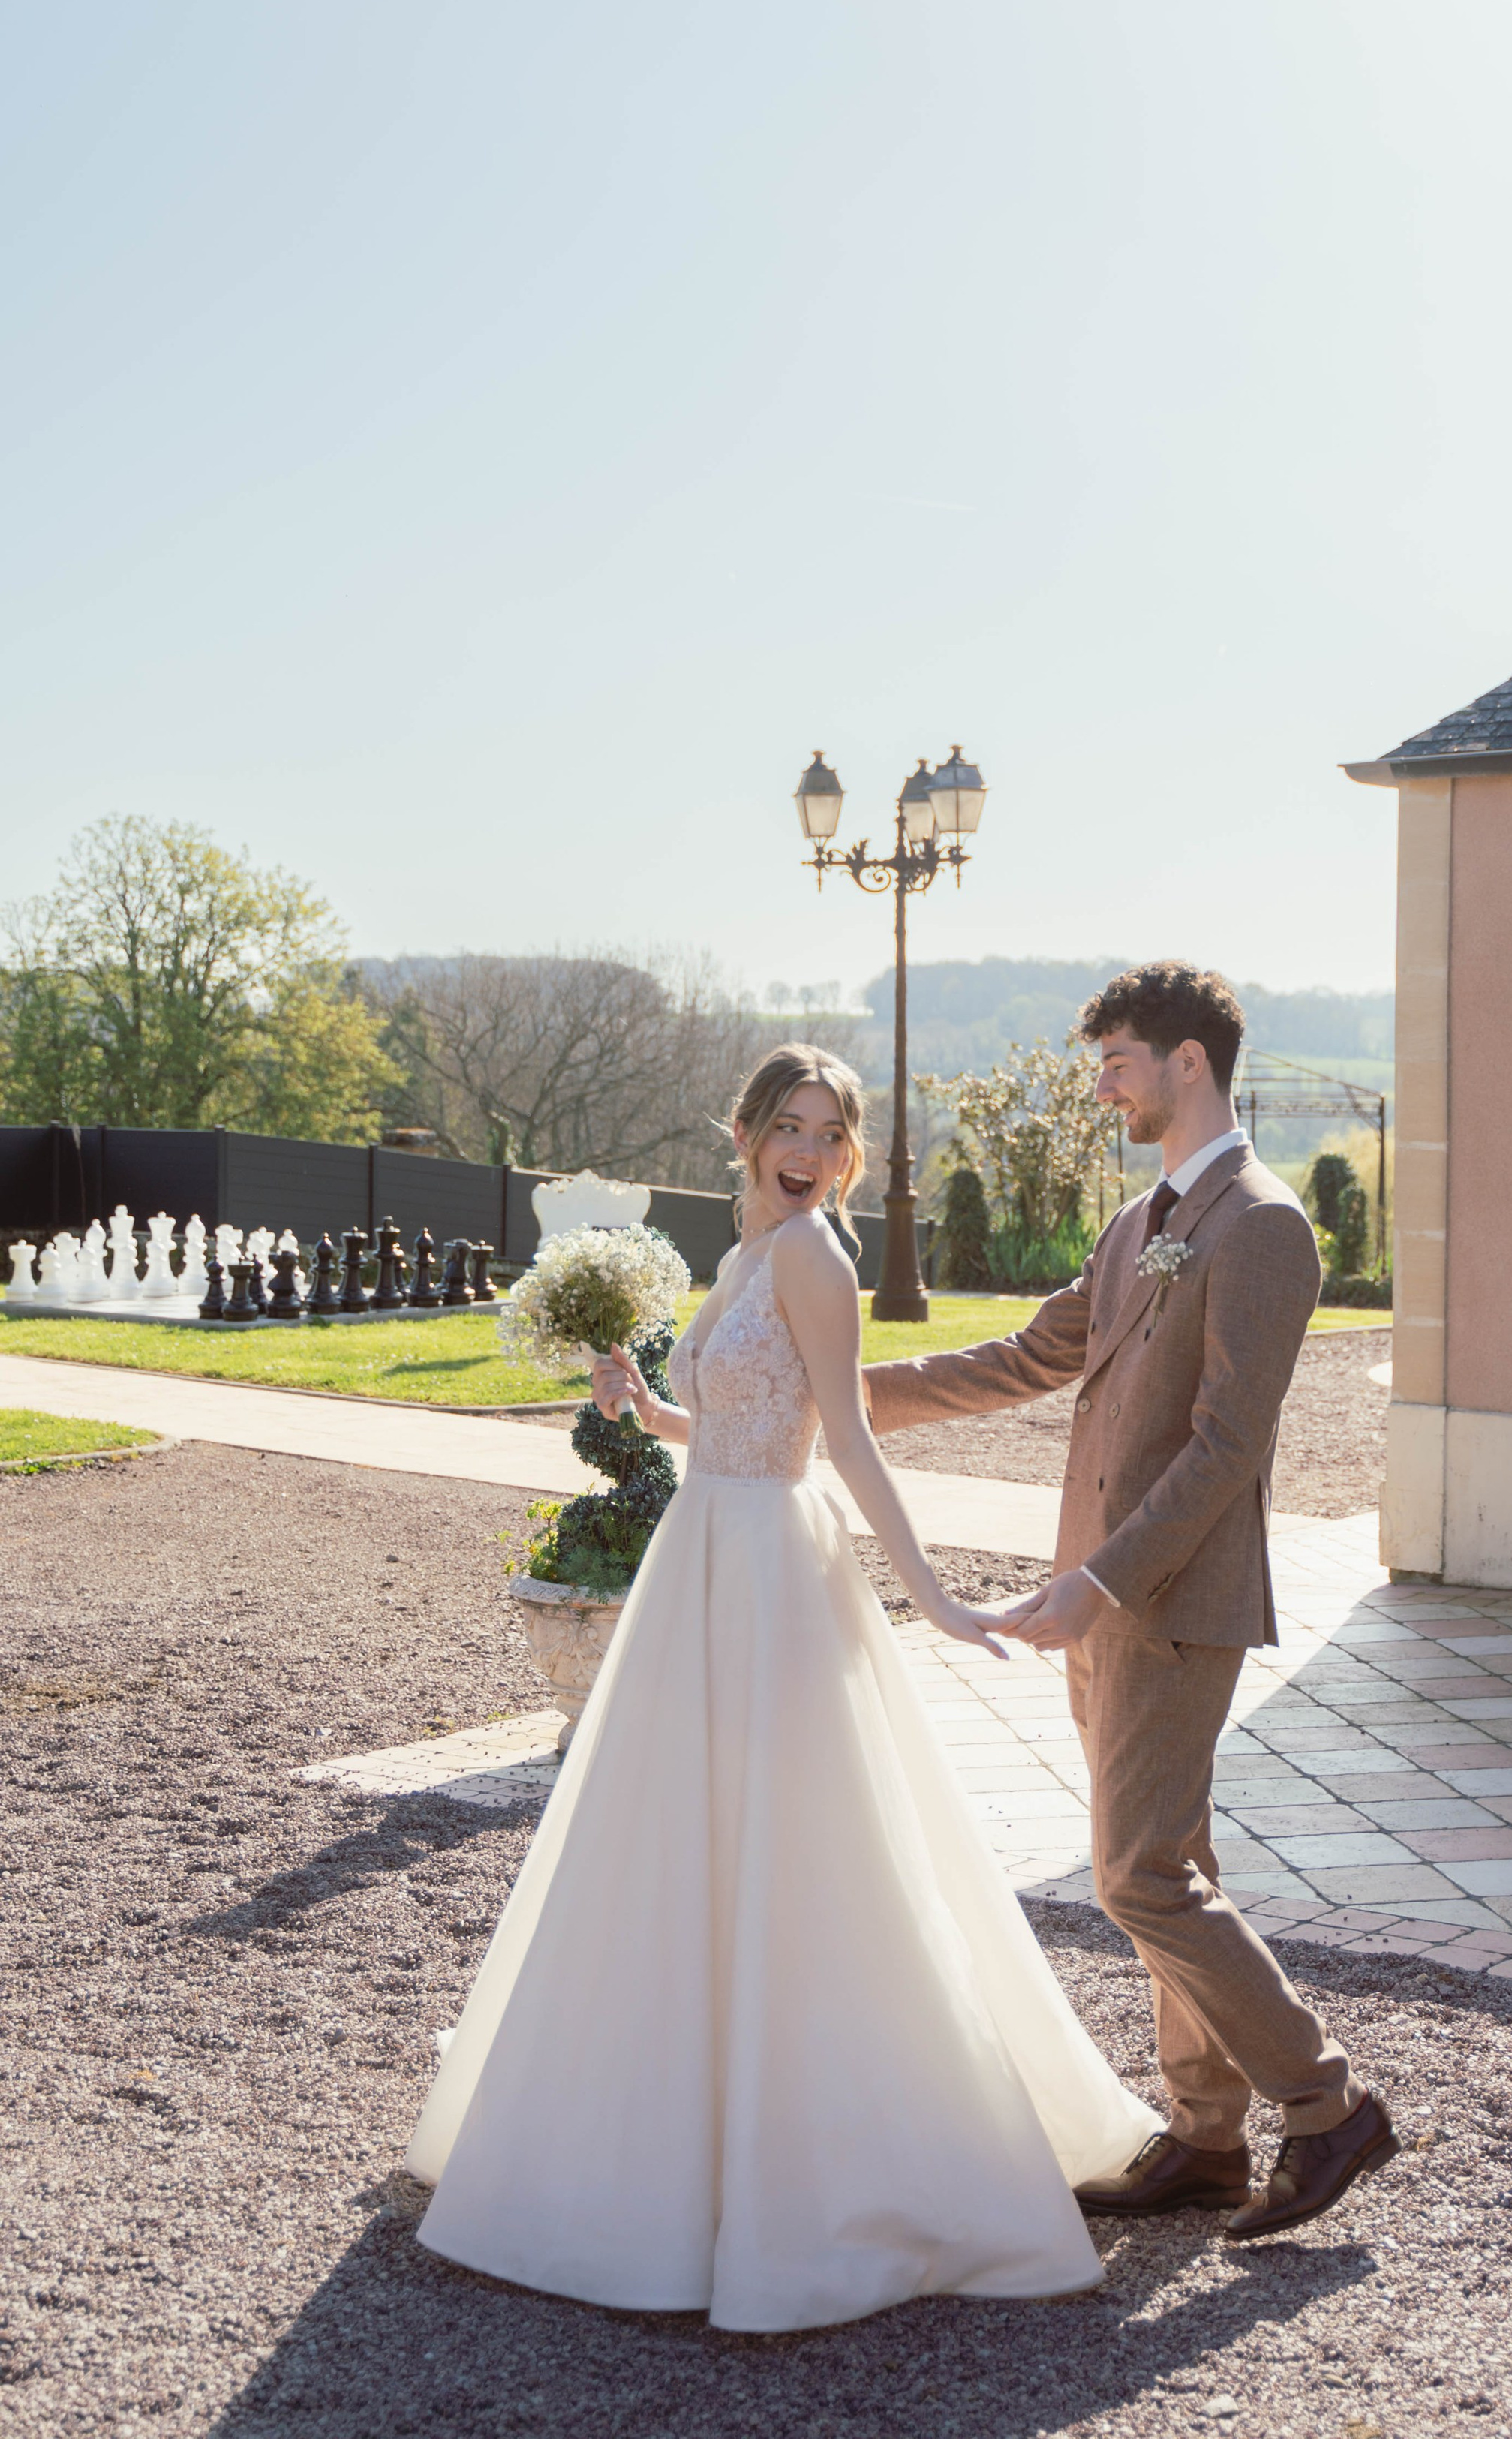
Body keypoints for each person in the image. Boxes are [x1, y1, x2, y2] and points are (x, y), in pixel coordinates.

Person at [404, 1042, 1156, 2334]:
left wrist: (930, 1596)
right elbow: (751, 1424)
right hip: (703, 1554)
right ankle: (672, 2158)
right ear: (747, 1133)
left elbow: (844, 1437)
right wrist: (650, 1408)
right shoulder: (749, 1253)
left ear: (848, 1154)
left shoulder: (814, 1255)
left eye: (830, 1133)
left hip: (773, 1575)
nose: (807, 1152)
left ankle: (827, 2176)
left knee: (801, 1860)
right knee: (680, 1850)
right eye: (788, 1127)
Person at [864, 963, 1397, 2241]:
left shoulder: (1266, 1226)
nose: (1102, 1083)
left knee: (1137, 1875)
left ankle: (1328, 2109)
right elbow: (1028, 1358)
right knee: (1175, 1860)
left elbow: (1225, 1447)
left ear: (1188, 1064)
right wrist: (840, 1390)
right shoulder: (1141, 1222)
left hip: (1165, 1603)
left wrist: (1101, 1581)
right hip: (1097, 1602)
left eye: (1115, 1061)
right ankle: (1208, 2142)